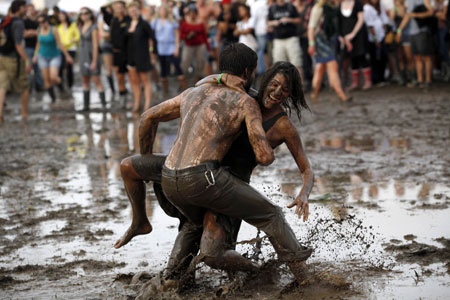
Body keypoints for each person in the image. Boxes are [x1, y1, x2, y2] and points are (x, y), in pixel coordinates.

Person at [115, 61, 314, 278]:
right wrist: (221, 78)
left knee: (214, 254)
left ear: (290, 94)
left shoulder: (282, 125)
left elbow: (306, 169)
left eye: (284, 90)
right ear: (265, 81)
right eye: (274, 85)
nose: (277, 92)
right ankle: (151, 234)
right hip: (201, 173)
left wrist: (303, 193)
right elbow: (204, 83)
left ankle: (298, 276)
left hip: (230, 187)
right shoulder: (244, 96)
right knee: (174, 278)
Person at [308, 0, 351, 102]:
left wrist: (342, 38)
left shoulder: (335, 7)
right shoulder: (318, 8)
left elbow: (337, 27)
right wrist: (311, 44)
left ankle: (314, 94)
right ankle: (341, 95)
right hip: (320, 41)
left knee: (320, 68)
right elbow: (311, 28)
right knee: (333, 65)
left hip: (331, 40)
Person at [0, 0, 31, 123]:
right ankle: (24, 114)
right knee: (24, 86)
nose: (26, 10)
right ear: (20, 8)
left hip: (2, 56)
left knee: (2, 87)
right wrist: (27, 60)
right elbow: (18, 45)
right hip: (14, 59)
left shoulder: (5, 20)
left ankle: (0, 114)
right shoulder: (18, 23)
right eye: (25, 7)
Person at [32, 15, 73, 103]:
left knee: (53, 77)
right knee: (47, 79)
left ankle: (61, 87)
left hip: (54, 55)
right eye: (39, 22)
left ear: (47, 21)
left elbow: (59, 43)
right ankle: (53, 98)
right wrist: (35, 55)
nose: (41, 24)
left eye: (43, 21)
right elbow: (38, 44)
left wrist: (67, 55)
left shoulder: (53, 29)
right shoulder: (39, 30)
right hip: (42, 56)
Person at [396, 0, 434, 88]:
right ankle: (420, 80)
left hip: (422, 32)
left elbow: (431, 12)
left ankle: (428, 80)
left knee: (426, 57)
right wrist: (399, 30)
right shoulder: (409, 1)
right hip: (412, 33)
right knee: (417, 57)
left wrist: (416, 15)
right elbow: (407, 16)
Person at [151, 4, 187, 93]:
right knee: (163, 68)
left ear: (167, 11)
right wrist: (151, 49)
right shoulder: (155, 22)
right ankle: (165, 90)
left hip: (171, 47)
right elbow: (151, 37)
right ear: (158, 11)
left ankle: (184, 88)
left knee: (177, 66)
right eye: (161, 10)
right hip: (160, 48)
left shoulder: (172, 21)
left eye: (164, 10)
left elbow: (176, 35)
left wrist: (176, 48)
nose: (163, 11)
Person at [126, 1, 153, 113]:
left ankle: (147, 105)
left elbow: (152, 39)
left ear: (138, 10)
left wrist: (152, 53)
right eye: (131, 10)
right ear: (128, 12)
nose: (133, 12)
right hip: (130, 56)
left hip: (143, 55)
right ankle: (137, 103)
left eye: (135, 10)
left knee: (145, 80)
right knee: (134, 81)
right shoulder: (127, 24)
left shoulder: (144, 24)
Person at [337, 0, 372, 90]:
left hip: (358, 35)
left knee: (361, 56)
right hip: (346, 36)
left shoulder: (357, 3)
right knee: (352, 58)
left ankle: (368, 82)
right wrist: (341, 36)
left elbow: (361, 20)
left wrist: (353, 33)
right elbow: (339, 22)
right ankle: (355, 83)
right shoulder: (339, 5)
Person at [102, 1, 130, 105]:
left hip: (128, 52)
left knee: (131, 76)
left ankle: (135, 97)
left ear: (124, 8)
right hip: (117, 52)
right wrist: (112, 3)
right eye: (116, 7)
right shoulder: (112, 20)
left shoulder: (128, 19)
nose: (118, 9)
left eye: (120, 7)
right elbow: (103, 9)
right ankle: (123, 97)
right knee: (119, 76)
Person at [78, 7, 105, 111]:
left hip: (91, 55)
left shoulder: (94, 27)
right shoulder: (81, 26)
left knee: (96, 80)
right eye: (82, 13)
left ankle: (103, 104)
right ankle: (86, 105)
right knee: (85, 80)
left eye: (86, 13)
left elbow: (95, 45)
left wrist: (94, 61)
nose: (84, 15)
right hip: (82, 55)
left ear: (90, 14)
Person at [267, 0, 303, 76]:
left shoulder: (290, 6)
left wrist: (289, 20)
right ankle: (283, 86)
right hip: (278, 39)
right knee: (279, 66)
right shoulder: (272, 8)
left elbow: (299, 20)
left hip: (291, 38)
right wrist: (274, 23)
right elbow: (268, 22)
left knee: (296, 63)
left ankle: (299, 85)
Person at [180, 4, 212, 83]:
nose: (192, 14)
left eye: (194, 12)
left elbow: (204, 36)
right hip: (189, 46)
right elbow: (181, 36)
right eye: (191, 12)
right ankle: (182, 81)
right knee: (185, 62)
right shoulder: (185, 23)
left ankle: (197, 81)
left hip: (200, 45)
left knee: (200, 63)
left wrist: (209, 49)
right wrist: (188, 35)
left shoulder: (200, 23)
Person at [363, 0, 390, 85]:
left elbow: (384, 19)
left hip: (381, 36)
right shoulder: (367, 8)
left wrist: (384, 31)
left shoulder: (379, 5)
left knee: (383, 57)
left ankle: (382, 78)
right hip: (373, 39)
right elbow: (370, 25)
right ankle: (376, 78)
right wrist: (375, 39)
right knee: (374, 58)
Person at [23, 3, 44, 92]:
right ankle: (28, 87)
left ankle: (39, 86)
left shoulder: (37, 21)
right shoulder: (25, 21)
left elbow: (40, 33)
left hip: (38, 47)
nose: (31, 10)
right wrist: (34, 32)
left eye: (33, 9)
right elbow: (24, 34)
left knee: (38, 68)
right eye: (29, 9)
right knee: (29, 68)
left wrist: (31, 32)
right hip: (28, 48)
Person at [57, 10, 79, 91]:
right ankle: (60, 85)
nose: (61, 17)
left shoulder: (72, 25)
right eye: (60, 16)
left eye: (63, 15)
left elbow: (77, 36)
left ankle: (70, 84)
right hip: (62, 48)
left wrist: (73, 40)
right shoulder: (58, 27)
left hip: (71, 48)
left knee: (69, 67)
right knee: (61, 67)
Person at [98, 10, 116, 96]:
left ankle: (119, 89)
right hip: (106, 47)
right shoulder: (102, 21)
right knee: (108, 70)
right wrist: (113, 34)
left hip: (116, 46)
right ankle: (113, 90)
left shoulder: (115, 19)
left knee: (117, 70)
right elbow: (102, 34)